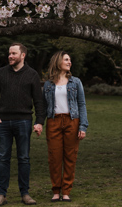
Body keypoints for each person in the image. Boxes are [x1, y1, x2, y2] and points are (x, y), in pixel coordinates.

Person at [0, 43, 46, 206]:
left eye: (14, 53)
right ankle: (1, 194)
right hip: (3, 122)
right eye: (9, 53)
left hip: (24, 121)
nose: (10, 56)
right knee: (3, 159)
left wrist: (40, 121)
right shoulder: (1, 73)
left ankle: (25, 194)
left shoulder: (32, 75)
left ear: (23, 55)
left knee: (24, 158)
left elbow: (38, 101)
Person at [42, 51, 88, 202]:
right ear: (58, 62)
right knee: (54, 158)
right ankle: (56, 191)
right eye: (66, 60)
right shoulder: (48, 84)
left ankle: (66, 191)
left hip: (72, 121)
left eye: (70, 60)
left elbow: (81, 104)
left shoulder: (76, 82)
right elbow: (43, 105)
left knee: (70, 157)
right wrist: (39, 123)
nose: (70, 62)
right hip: (53, 122)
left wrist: (82, 126)